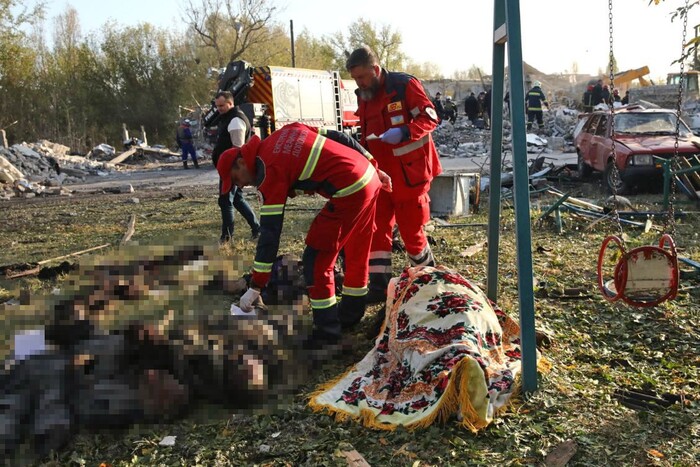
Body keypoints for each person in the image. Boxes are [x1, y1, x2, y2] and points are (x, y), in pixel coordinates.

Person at [217, 122, 392, 350]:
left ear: (241, 162)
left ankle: (327, 333)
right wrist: (373, 165)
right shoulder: (282, 134)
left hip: (350, 188)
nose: (240, 186)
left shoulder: (269, 172)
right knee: (356, 248)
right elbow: (339, 136)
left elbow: (270, 233)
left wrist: (255, 286)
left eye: (236, 179)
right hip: (367, 176)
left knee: (316, 259)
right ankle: (351, 311)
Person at [345, 45, 442, 307]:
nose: (359, 83)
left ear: (376, 70)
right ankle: (379, 285)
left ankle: (426, 281)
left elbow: (430, 118)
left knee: (412, 231)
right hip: (381, 176)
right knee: (377, 228)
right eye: (355, 79)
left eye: (363, 77)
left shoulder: (403, 85)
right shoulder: (364, 95)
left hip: (410, 174)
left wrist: (406, 132)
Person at [212, 91, 260, 243]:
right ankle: (257, 228)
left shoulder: (235, 121)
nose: (218, 109)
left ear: (230, 103)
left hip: (233, 170)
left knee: (226, 201)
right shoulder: (229, 118)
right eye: (217, 106)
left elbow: (237, 149)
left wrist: (232, 172)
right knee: (237, 199)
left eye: (221, 105)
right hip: (229, 169)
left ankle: (226, 237)